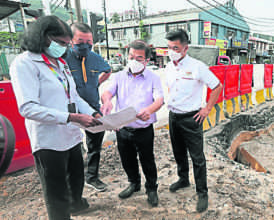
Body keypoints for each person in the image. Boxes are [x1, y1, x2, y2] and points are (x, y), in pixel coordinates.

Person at [9, 16, 102, 220]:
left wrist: (93, 113)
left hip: (71, 136)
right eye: (60, 42)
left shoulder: (60, 62)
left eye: (67, 44)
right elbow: (28, 108)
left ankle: (76, 206)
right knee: (57, 193)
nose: (64, 47)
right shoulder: (24, 64)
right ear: (43, 37)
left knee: (76, 181)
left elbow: (74, 96)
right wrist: (72, 117)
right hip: (48, 141)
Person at [165, 29, 223, 213]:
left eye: (175, 47)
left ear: (185, 48)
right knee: (178, 152)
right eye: (169, 47)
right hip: (173, 117)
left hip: (191, 118)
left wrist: (207, 109)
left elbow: (217, 86)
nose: (171, 51)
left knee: (197, 158)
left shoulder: (197, 66)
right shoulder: (169, 67)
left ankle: (202, 193)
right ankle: (183, 179)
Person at [100, 40, 164, 207]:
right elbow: (107, 92)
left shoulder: (153, 78)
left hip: (143, 129)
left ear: (147, 60)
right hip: (123, 128)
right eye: (131, 57)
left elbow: (159, 100)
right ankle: (134, 183)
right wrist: (107, 101)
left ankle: (151, 188)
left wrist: (149, 110)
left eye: (139, 58)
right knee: (127, 159)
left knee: (147, 160)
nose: (134, 61)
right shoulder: (119, 76)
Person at [64, 22, 111, 192]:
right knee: (71, 145)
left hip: (92, 106)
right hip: (70, 110)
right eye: (80, 41)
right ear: (70, 41)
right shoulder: (63, 58)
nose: (85, 45)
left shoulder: (95, 58)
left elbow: (108, 70)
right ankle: (72, 180)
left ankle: (92, 177)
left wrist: (97, 83)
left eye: (89, 41)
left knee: (95, 144)